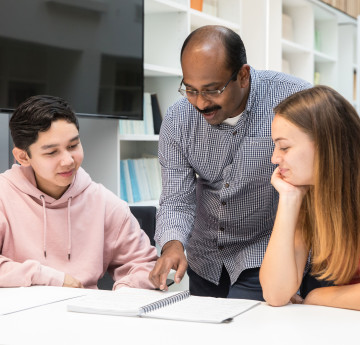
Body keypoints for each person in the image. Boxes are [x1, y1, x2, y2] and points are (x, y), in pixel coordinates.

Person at [149, 25, 312, 300]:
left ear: (243, 75)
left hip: (263, 249)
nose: (200, 103)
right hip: (206, 259)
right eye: (190, 90)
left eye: (213, 90)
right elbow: (177, 199)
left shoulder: (293, 100)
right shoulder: (178, 119)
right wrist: (172, 246)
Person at [0, 95, 158, 289]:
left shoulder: (106, 203)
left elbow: (144, 265)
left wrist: (123, 295)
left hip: (83, 314)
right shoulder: (3, 196)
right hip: (16, 315)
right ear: (23, 157)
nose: (68, 160)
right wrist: (45, 276)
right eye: (51, 152)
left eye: (73, 146)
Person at [260, 85, 360, 310]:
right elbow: (275, 294)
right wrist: (288, 199)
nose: (275, 158)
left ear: (325, 144)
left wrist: (316, 297)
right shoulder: (308, 194)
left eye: (284, 147)